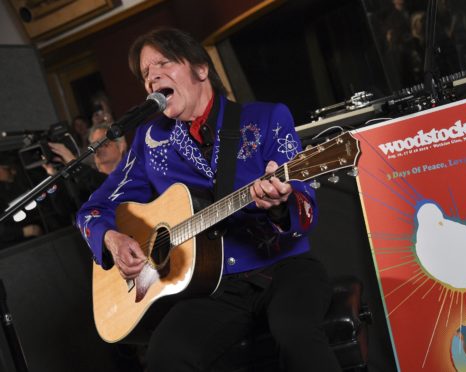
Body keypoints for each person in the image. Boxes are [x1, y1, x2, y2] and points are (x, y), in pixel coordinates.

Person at [76, 28, 340, 372]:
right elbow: (93, 209)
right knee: (164, 356)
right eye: (145, 73)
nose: (152, 76)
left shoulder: (266, 118)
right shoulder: (150, 140)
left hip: (284, 268)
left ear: (201, 69)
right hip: (213, 288)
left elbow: (306, 206)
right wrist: (111, 238)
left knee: (295, 332)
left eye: (163, 63)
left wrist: (279, 205)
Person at [43, 122, 127, 208]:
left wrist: (72, 162)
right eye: (95, 145)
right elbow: (64, 209)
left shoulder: (130, 174)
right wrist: (53, 176)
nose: (98, 148)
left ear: (121, 146)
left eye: (104, 143)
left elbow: (107, 184)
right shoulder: (84, 181)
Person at [0, 155, 43, 249]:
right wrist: (23, 231)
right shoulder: (4, 188)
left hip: (39, 212)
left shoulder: (21, 173)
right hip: (17, 236)